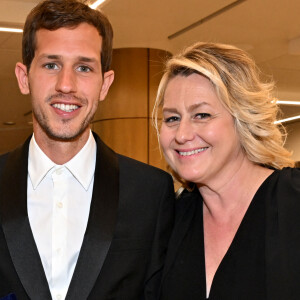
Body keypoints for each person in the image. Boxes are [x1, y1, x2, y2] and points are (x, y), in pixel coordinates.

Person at [0, 0, 174, 299]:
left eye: (83, 67)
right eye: (51, 64)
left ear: (105, 84)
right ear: (23, 77)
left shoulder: (151, 193)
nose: (66, 85)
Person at [152, 42, 300, 300]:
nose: (183, 135)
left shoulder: (293, 202)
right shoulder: (169, 220)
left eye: (202, 115)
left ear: (242, 119)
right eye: (172, 118)